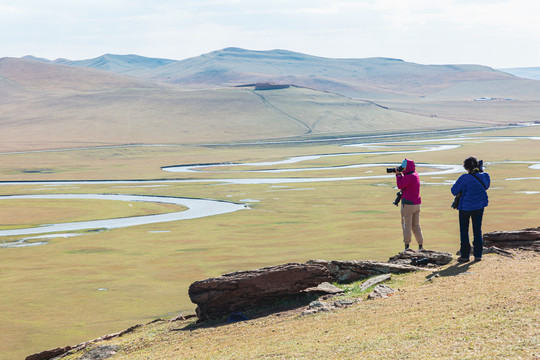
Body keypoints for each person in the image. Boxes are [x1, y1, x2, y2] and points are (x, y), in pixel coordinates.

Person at [451, 156, 490, 262]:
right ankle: (478, 255)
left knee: (464, 232)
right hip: (479, 207)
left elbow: (454, 191)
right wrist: (481, 172)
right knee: (477, 231)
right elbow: (486, 186)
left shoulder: (464, 178)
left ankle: (465, 255)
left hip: (465, 208)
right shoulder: (484, 176)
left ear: (466, 167)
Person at [395, 158, 424, 251]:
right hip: (417, 203)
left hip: (408, 204)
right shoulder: (415, 175)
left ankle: (407, 247)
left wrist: (398, 175)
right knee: (416, 225)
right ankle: (420, 246)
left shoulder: (409, 177)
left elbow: (400, 185)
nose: (402, 169)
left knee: (406, 225)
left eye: (403, 168)